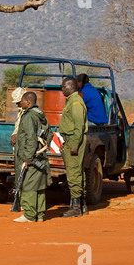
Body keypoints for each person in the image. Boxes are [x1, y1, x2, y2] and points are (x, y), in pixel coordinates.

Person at [13, 92, 52, 223]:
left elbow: (30, 138)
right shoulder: (40, 115)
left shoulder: (29, 116)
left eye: (22, 101)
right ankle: (40, 214)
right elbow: (49, 134)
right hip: (40, 155)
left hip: (31, 157)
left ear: (28, 102)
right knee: (38, 185)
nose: (20, 103)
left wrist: (28, 157)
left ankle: (29, 215)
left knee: (28, 184)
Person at [59, 78, 88, 217]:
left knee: (73, 172)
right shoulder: (71, 100)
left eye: (64, 86)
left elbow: (79, 126)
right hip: (70, 140)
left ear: (71, 86)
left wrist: (74, 144)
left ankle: (76, 207)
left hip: (74, 140)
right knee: (78, 171)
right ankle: (82, 205)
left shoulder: (75, 102)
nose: (62, 88)